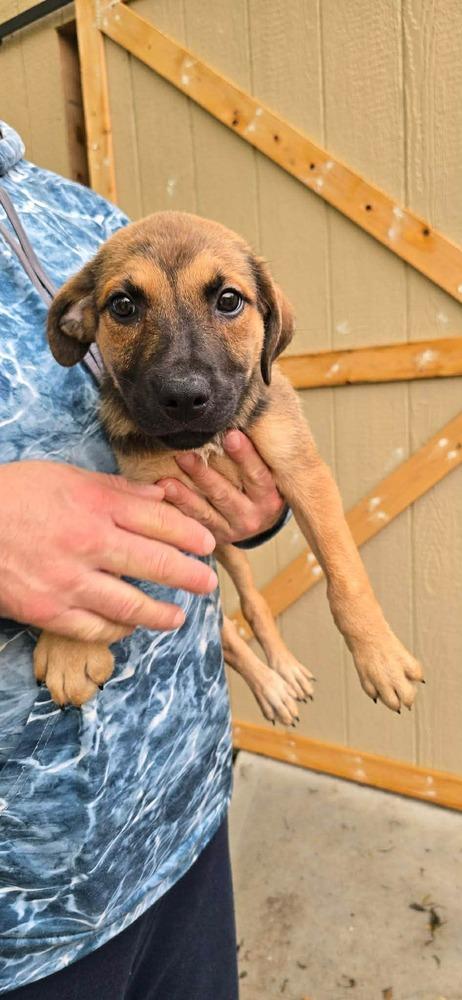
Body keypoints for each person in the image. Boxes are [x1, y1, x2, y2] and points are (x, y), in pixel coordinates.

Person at [0, 121, 289, 998]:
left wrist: (254, 512)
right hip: (24, 916)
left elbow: (212, 439)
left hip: (181, 809)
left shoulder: (83, 214)